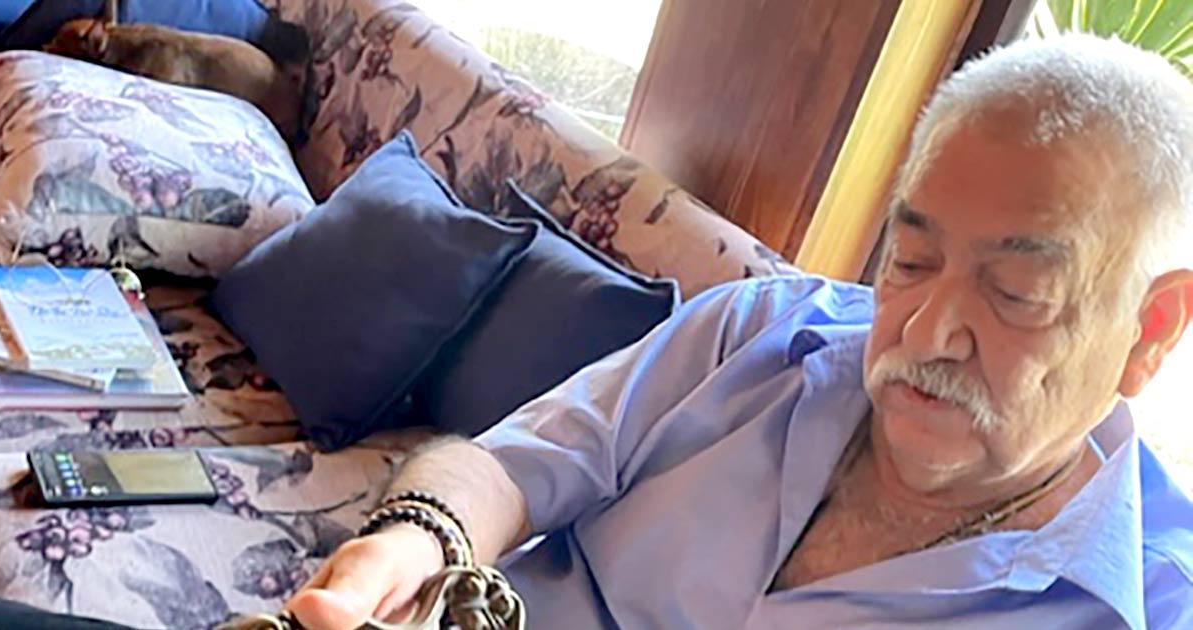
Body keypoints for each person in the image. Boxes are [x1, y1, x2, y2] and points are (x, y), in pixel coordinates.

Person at [286, 33, 1193, 629]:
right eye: (911, 260)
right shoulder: (757, 331)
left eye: (1017, 292)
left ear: (1150, 331)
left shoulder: (1145, 607)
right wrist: (417, 538)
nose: (927, 332)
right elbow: (507, 467)